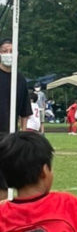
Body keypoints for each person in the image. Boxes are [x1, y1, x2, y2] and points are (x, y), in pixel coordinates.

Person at [0, 38, 32, 198]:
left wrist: (23, 135)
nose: (8, 54)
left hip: (10, 136)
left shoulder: (19, 79)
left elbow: (25, 111)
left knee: (7, 179)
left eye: (11, 51)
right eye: (5, 51)